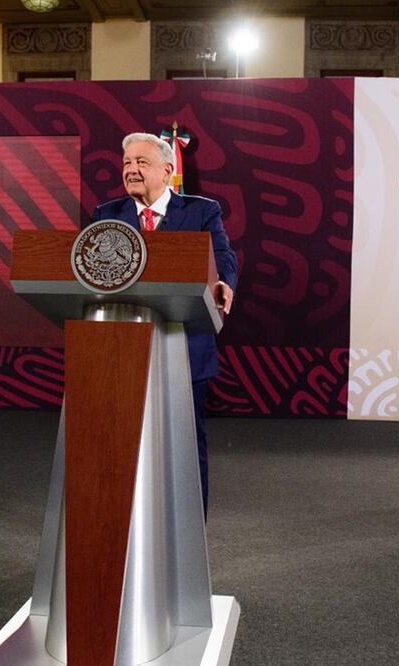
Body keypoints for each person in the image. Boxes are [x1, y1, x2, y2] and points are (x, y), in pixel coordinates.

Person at [91, 132, 238, 514]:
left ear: (168, 170)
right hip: (122, 350)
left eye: (141, 162)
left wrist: (223, 282)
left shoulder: (202, 211)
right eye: (126, 163)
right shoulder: (107, 215)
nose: (131, 170)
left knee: (186, 444)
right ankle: (128, 522)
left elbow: (221, 255)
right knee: (122, 443)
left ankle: (190, 527)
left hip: (184, 347)